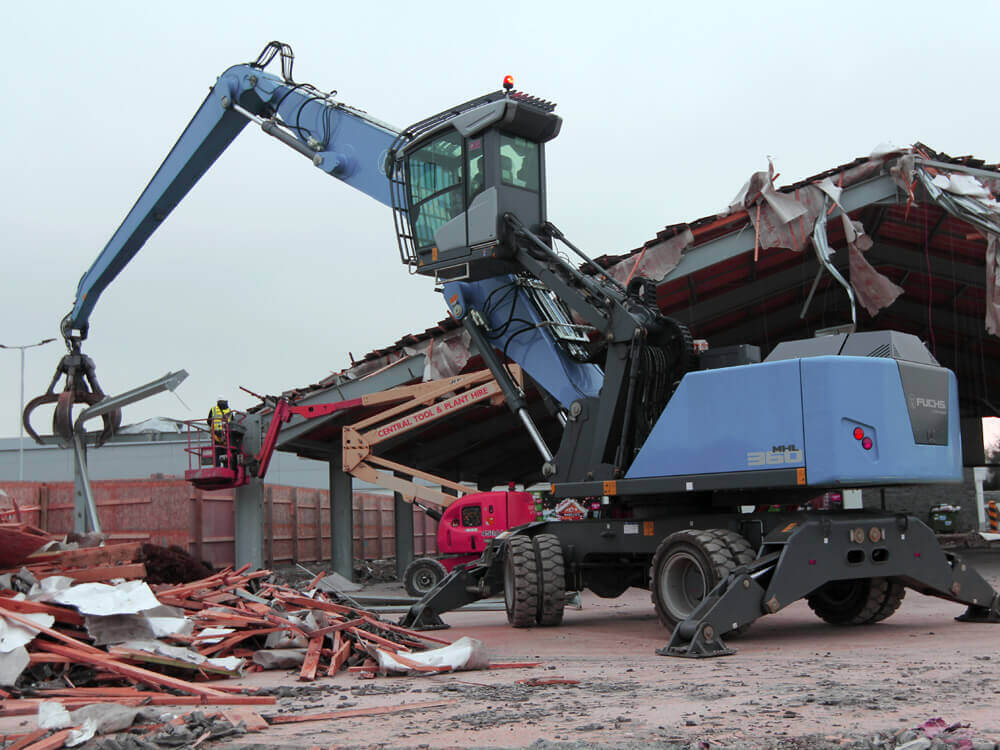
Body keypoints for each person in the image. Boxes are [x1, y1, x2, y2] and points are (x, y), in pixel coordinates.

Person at [207, 397, 233, 468]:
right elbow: (232, 422)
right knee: (225, 452)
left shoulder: (213, 409)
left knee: (217, 453)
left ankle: (218, 467)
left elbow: (209, 421)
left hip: (219, 434)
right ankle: (226, 467)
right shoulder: (229, 410)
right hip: (224, 435)